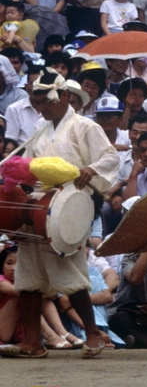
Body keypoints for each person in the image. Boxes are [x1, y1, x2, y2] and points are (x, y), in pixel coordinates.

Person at [0, 70, 121, 360]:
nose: (42, 107)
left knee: (69, 272)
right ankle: (33, 341)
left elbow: (110, 158)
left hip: (69, 206)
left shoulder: (84, 126)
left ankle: (92, 335)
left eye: (47, 101)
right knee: (28, 275)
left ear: (65, 96)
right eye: (37, 101)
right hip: (38, 204)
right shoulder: (40, 128)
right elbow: (27, 165)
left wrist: (91, 170)